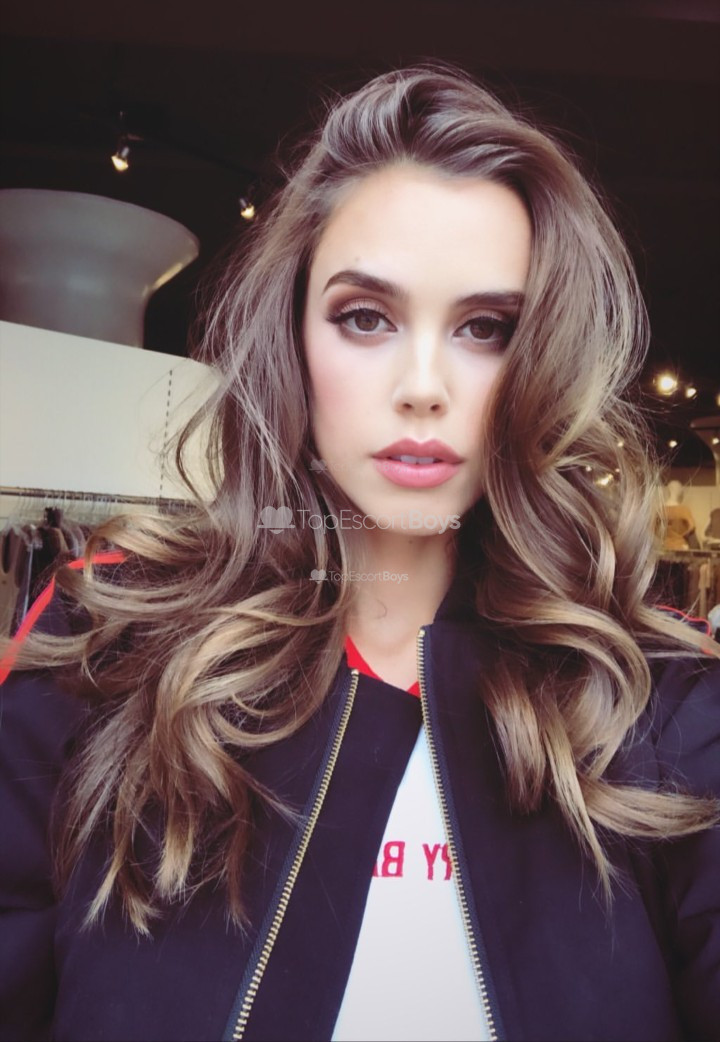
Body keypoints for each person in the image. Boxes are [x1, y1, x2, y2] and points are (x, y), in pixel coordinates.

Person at [1, 64, 719, 1042]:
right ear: (292, 336)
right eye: (366, 317)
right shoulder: (102, 655)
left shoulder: (660, 705)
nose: (423, 385)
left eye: (486, 329)